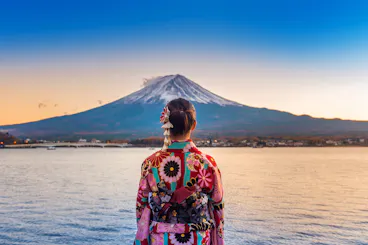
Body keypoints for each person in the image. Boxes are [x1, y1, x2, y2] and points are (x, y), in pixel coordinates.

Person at [134, 98, 224, 245]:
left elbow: (141, 206)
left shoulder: (151, 163)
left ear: (166, 125)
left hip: (160, 238)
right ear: (193, 125)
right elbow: (218, 207)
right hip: (198, 238)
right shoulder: (207, 163)